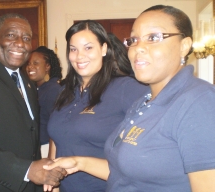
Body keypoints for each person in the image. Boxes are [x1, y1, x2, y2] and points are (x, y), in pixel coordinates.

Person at [44, 5, 215, 192]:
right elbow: (123, 173)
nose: (139, 47)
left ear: (184, 46)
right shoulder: (143, 103)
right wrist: (79, 162)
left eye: (153, 38)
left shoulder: (199, 102)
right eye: (134, 40)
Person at [0, 13, 66, 192]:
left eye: (26, 38)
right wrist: (26, 170)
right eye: (11, 35)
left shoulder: (25, 80)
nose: (20, 43)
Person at [46, 20, 148, 192]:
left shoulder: (126, 89)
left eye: (88, 48)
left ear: (103, 49)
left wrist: (81, 163)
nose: (79, 56)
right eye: (73, 49)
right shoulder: (64, 92)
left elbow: (143, 161)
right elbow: (56, 143)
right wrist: (52, 183)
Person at [26, 46, 62, 155]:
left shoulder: (53, 90)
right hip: (37, 147)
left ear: (47, 67)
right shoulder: (35, 89)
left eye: (36, 63)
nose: (30, 67)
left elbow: (57, 126)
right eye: (28, 63)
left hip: (48, 148)